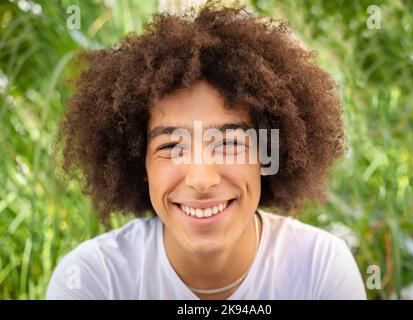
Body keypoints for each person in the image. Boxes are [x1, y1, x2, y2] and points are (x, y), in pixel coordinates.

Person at [46, 0, 366, 300]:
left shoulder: (320, 271)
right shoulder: (94, 280)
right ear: (140, 163)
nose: (201, 179)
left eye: (229, 144)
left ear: (267, 155)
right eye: (171, 146)